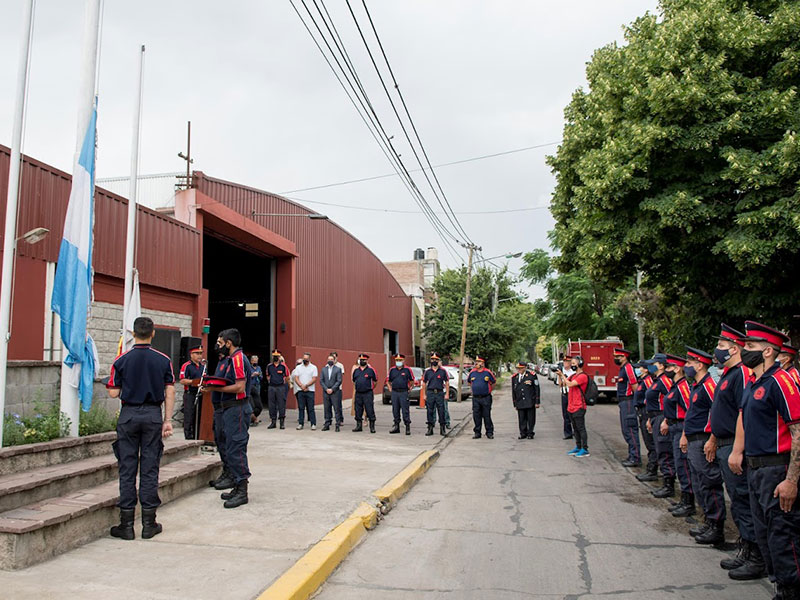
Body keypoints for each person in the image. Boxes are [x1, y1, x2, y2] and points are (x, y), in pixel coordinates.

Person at [730, 321, 800, 598]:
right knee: (766, 533)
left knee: (784, 536)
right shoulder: (754, 383)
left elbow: (798, 432)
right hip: (756, 469)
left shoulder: (781, 382)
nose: (743, 350)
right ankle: (781, 585)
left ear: (768, 351)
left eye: (749, 346)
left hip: (776, 469)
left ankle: (792, 590)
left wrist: (791, 480)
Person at [106, 316, 175, 540]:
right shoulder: (163, 360)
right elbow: (170, 391)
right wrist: (168, 420)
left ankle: (126, 525)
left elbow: (113, 392)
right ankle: (149, 523)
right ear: (153, 333)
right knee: (149, 468)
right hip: (153, 415)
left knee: (127, 469)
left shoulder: (121, 360)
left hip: (128, 415)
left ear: (133, 334)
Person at [707, 324, 764, 580]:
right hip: (724, 443)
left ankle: (756, 556)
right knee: (738, 502)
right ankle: (746, 549)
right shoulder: (728, 374)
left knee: (743, 500)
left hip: (734, 445)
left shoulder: (741, 374)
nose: (717, 350)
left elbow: (743, 414)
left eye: (720, 346)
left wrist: (738, 449)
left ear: (733, 349)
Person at [680, 347, 726, 545]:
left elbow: (717, 411)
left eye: (690, 363)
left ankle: (717, 526)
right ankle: (708, 520)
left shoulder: (708, 385)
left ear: (700, 365)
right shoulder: (697, 385)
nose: (686, 367)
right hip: (693, 440)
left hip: (703, 440)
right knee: (700, 484)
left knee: (709, 483)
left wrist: (712, 440)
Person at [209, 328, 253, 509]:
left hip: (238, 409)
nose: (218, 346)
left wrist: (215, 388)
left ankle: (242, 489)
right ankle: (236, 484)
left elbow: (240, 387)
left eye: (221, 343)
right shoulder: (229, 359)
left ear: (229, 343)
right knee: (229, 446)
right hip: (228, 410)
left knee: (236, 447)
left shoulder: (237, 359)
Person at [660, 355, 695, 518]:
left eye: (669, 368)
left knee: (683, 465)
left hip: (681, 427)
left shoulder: (682, 387)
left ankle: (689, 502)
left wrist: (685, 434)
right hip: (673, 425)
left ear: (677, 369)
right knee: (678, 464)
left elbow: (689, 411)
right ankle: (684, 499)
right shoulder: (676, 386)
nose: (666, 370)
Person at [644, 354, 675, 498]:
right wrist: (650, 419)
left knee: (664, 451)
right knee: (659, 449)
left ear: (662, 365)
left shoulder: (665, 381)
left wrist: (667, 420)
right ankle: (665, 482)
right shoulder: (656, 380)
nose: (650, 366)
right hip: (655, 417)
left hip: (662, 416)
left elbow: (671, 400)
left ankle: (669, 485)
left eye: (654, 363)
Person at [614, 348, 641, 467]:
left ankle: (635, 457)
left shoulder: (628, 368)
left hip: (628, 401)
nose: (616, 359)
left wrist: (637, 402)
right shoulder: (622, 369)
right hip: (623, 402)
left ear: (624, 357)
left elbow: (635, 385)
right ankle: (632, 455)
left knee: (630, 429)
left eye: (618, 357)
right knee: (626, 430)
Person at [558, 356, 589, 457]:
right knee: (575, 428)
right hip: (571, 406)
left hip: (579, 406)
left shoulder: (582, 376)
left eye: (574, 363)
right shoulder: (573, 375)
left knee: (581, 428)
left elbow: (570, 384)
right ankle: (578, 446)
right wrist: (559, 375)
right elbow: (562, 384)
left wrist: (562, 375)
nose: (572, 365)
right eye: (571, 363)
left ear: (580, 364)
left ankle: (585, 449)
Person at [634, 361, 659, 482]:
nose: (637, 370)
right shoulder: (643, 380)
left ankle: (652, 470)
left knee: (651, 443)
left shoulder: (648, 380)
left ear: (645, 369)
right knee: (648, 442)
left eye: (639, 368)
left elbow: (651, 397)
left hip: (646, 412)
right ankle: (651, 468)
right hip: (642, 412)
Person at [178, 345, 204, 440]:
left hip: (201, 393)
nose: (199, 356)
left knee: (199, 416)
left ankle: (198, 436)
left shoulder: (203, 367)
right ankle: (188, 437)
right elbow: (182, 380)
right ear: (191, 354)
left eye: (201, 353)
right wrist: (194, 382)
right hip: (190, 394)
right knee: (189, 416)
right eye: (197, 353)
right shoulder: (187, 366)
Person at [468, 356, 496, 439]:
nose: (477, 363)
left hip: (486, 397)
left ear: (483, 363)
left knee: (486, 415)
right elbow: (470, 382)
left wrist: (488, 390)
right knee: (476, 415)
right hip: (476, 398)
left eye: (479, 362)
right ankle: (477, 432)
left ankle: (489, 432)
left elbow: (493, 382)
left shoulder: (487, 372)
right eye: (476, 361)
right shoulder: (472, 372)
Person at [511, 360, 540, 439]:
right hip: (520, 401)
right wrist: (515, 403)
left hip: (530, 400)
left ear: (525, 368)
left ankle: (530, 433)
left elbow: (536, 389)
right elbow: (514, 391)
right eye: (518, 368)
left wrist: (537, 401)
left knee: (530, 418)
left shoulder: (532, 375)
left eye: (521, 368)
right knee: (521, 418)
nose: (519, 370)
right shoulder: (515, 377)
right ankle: (523, 433)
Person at [387, 354, 414, 435]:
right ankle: (396, 426)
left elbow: (412, 380)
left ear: (403, 361)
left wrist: (410, 388)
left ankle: (407, 427)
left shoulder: (407, 369)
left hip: (403, 392)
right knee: (395, 410)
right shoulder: (392, 370)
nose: (398, 362)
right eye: (397, 360)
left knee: (405, 410)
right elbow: (388, 380)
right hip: (395, 392)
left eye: (400, 360)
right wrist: (390, 388)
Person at [423, 353, 449, 436]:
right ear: (430, 360)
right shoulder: (427, 372)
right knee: (430, 411)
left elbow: (447, 382)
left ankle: (442, 428)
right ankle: (430, 428)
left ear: (438, 361)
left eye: (436, 359)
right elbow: (424, 383)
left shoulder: (442, 371)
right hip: (430, 392)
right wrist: (424, 394)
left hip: (439, 392)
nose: (434, 361)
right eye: (433, 359)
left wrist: (447, 393)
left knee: (441, 411)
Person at [352, 353, 378, 432]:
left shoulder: (371, 370)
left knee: (369, 409)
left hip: (368, 393)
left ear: (367, 360)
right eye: (361, 360)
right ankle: (359, 426)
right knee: (358, 409)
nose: (362, 361)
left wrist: (371, 388)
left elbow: (375, 381)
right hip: (358, 393)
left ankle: (372, 427)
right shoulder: (356, 371)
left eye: (364, 360)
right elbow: (354, 381)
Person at [292, 352, 318, 430]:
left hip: (310, 390)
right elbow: (296, 378)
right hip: (300, 390)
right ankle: (300, 423)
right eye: (304, 358)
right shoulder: (298, 367)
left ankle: (313, 424)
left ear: (309, 359)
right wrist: (301, 386)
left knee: (311, 408)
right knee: (301, 408)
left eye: (306, 358)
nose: (305, 360)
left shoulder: (313, 367)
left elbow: (314, 379)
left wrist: (306, 385)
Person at [266, 350, 289, 429]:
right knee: (271, 404)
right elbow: (267, 375)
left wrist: (282, 382)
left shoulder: (283, 366)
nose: (275, 358)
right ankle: (273, 422)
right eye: (274, 356)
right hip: (272, 387)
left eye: (277, 356)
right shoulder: (269, 366)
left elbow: (287, 376)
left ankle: (282, 422)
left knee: (281, 404)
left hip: (280, 387)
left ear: (279, 357)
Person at [320, 353, 343, 431]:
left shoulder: (338, 369)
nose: (330, 361)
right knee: (327, 408)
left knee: (336, 408)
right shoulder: (324, 369)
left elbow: (339, 381)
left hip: (335, 392)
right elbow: (321, 380)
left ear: (334, 360)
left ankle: (337, 424)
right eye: (329, 359)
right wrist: (326, 389)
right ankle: (327, 424)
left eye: (331, 360)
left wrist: (332, 389)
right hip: (326, 392)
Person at [559, 356, 574, 440]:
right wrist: (559, 376)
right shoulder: (561, 371)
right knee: (565, 415)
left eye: (567, 362)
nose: (565, 363)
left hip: (572, 394)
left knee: (573, 414)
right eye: (564, 362)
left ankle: (575, 430)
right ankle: (568, 433)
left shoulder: (573, 371)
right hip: (564, 393)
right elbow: (560, 384)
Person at [249, 354, 263, 426]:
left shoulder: (259, 368)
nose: (255, 362)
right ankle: (252, 417)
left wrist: (259, 375)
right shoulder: (249, 368)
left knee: (258, 401)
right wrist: (252, 375)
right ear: (251, 361)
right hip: (251, 386)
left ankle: (256, 416)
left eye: (256, 361)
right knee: (251, 402)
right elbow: (247, 376)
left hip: (257, 385)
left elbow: (261, 376)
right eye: (254, 361)